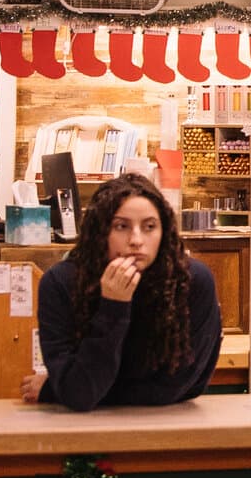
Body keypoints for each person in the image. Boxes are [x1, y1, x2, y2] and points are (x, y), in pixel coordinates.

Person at [21, 172, 222, 410]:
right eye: (121, 226)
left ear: (164, 231)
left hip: (169, 425)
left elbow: (173, 388)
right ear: (100, 231)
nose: (136, 240)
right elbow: (80, 395)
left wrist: (56, 389)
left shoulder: (192, 281)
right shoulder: (61, 283)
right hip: (81, 430)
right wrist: (113, 307)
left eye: (149, 226)